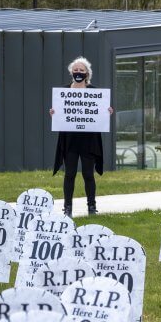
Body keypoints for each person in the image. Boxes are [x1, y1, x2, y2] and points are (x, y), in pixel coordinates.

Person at [50, 56, 113, 218]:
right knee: (69, 174)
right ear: (71, 72)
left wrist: (107, 112)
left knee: (88, 174)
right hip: (70, 140)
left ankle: (92, 207)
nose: (78, 72)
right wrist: (54, 113)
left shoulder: (95, 92)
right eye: (76, 70)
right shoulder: (63, 92)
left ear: (87, 73)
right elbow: (60, 113)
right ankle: (67, 207)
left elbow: (100, 113)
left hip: (89, 140)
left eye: (81, 70)